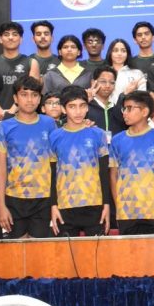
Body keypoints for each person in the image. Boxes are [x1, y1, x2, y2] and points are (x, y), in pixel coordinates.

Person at [0, 76, 57, 239]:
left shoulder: (49, 124)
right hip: (14, 197)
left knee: (39, 249)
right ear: (15, 98)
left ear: (40, 98)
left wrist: (55, 202)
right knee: (17, 250)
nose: (30, 100)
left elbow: (55, 164)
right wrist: (1, 205)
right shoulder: (5, 126)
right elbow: (0, 168)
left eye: (34, 95)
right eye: (24, 95)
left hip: (43, 198)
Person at [48, 86, 111, 237]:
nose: (78, 111)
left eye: (82, 106)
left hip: (94, 205)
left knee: (97, 252)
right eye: (72, 106)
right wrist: (53, 205)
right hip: (65, 206)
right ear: (63, 109)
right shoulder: (54, 136)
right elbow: (52, 174)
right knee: (66, 252)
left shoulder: (98, 134)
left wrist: (106, 204)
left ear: (87, 107)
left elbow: (104, 172)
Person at [109, 90, 154, 235]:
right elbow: (113, 176)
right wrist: (119, 206)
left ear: (145, 112)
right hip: (126, 212)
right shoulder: (117, 140)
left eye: (129, 108)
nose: (125, 113)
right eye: (124, 109)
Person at [0, 22, 38, 119]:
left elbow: (33, 92)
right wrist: (0, 111)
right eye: (6, 34)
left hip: (24, 117)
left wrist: (12, 111)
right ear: (0, 39)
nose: (10, 37)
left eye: (15, 34)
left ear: (21, 39)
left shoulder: (31, 63)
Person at [86, 66, 125, 139]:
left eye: (112, 82)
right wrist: (86, 101)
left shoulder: (118, 110)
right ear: (93, 82)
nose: (108, 86)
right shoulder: (85, 107)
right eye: (103, 81)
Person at [105, 38, 146, 105]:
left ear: (127, 54)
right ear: (110, 53)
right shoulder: (103, 74)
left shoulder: (137, 74)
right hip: (107, 110)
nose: (119, 54)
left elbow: (143, 98)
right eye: (115, 50)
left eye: (123, 51)